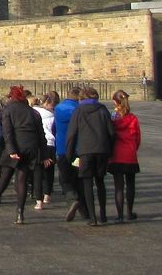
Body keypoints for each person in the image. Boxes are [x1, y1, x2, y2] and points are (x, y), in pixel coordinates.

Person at [0, 86, 49, 225]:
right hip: (32, 147)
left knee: (7, 172)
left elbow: (7, 132)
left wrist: (11, 150)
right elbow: (41, 135)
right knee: (21, 178)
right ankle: (19, 212)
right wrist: (45, 154)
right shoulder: (33, 112)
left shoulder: (8, 110)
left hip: (17, 146)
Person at [65, 87, 115, 226]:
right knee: (100, 182)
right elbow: (111, 132)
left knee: (87, 184)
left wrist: (69, 155)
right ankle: (103, 214)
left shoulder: (78, 111)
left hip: (85, 151)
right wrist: (110, 150)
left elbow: (72, 134)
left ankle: (92, 217)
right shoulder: (102, 109)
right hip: (102, 149)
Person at [109, 89, 142, 222]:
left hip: (116, 154)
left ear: (115, 102)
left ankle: (120, 215)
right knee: (130, 184)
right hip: (130, 154)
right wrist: (133, 149)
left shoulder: (113, 117)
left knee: (118, 186)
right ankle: (129, 212)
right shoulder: (133, 118)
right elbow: (138, 138)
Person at [54, 88, 84, 216]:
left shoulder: (58, 108)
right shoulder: (79, 110)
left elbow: (53, 128)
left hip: (62, 149)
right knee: (80, 179)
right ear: (78, 97)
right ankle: (85, 211)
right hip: (78, 150)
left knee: (65, 178)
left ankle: (72, 198)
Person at [32, 93, 57, 210]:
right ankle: (47, 195)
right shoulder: (52, 117)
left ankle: (38, 200)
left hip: (38, 145)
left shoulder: (34, 114)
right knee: (49, 172)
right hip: (50, 145)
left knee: (38, 173)